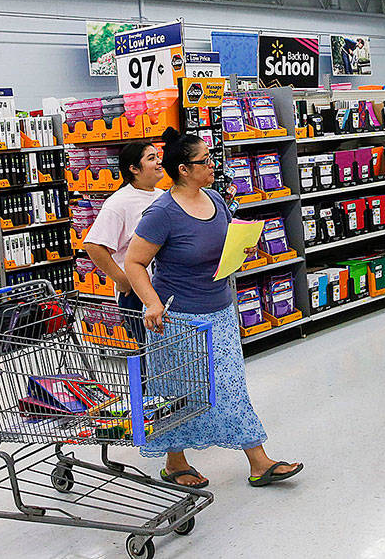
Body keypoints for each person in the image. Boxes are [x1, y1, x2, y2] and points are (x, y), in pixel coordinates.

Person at [118, 129, 301, 489]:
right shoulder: (162, 213)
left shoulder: (215, 199)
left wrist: (240, 250)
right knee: (181, 391)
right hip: (178, 316)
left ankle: (258, 460)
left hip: (219, 310)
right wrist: (151, 303)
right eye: (205, 161)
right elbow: (134, 263)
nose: (212, 165)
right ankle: (175, 462)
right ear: (184, 169)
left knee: (231, 387)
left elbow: (219, 244)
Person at [82, 142, 166, 323]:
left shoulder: (162, 196)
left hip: (162, 289)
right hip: (137, 295)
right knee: (148, 347)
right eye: (151, 158)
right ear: (134, 169)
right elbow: (93, 245)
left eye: (158, 156)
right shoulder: (119, 203)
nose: (159, 162)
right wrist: (122, 280)